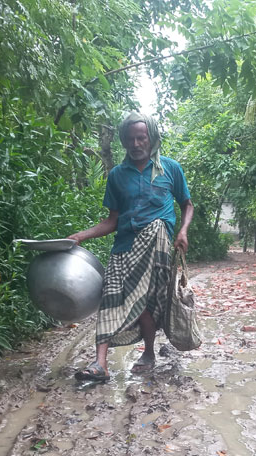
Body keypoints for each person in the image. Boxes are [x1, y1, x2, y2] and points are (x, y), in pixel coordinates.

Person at [67, 112, 193, 382]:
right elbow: (112, 221)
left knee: (145, 304)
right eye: (130, 139)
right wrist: (81, 236)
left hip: (156, 247)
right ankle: (100, 365)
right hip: (123, 247)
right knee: (110, 299)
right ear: (123, 141)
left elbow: (187, 205)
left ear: (152, 138)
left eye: (141, 138)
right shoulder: (117, 175)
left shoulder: (170, 168)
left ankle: (148, 352)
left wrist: (182, 231)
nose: (136, 144)